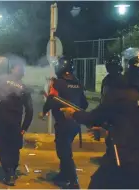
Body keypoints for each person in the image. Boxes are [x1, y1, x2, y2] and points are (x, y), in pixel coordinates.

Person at [61, 49, 139, 189]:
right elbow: (133, 128)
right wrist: (107, 132)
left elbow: (92, 118)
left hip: (120, 161)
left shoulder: (120, 96)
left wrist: (73, 114)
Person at [40, 56, 88, 189]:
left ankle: (73, 180)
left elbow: (51, 99)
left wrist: (43, 112)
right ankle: (63, 175)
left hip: (63, 123)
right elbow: (85, 103)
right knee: (65, 148)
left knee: (63, 152)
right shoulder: (78, 83)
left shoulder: (57, 83)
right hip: (75, 123)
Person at [0, 61, 33, 186]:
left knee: (3, 148)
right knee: (13, 149)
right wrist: (24, 128)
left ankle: (9, 173)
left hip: (2, 122)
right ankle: (11, 171)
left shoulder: (1, 82)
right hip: (16, 124)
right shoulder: (24, 88)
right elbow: (30, 110)